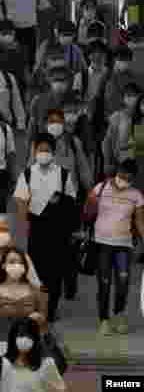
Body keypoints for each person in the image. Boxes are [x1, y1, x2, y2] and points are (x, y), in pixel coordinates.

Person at [13, 133, 79, 322]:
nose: (43, 153)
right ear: (34, 152)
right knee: (37, 269)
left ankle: (51, 309)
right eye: (40, 150)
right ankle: (37, 306)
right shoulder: (27, 174)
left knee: (56, 270)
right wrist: (23, 227)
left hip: (58, 228)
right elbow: (21, 202)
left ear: (53, 152)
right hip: (37, 227)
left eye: (47, 150)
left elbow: (71, 201)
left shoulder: (63, 174)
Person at [85, 159, 144, 335]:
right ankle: (104, 320)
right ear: (117, 172)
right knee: (104, 282)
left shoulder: (136, 195)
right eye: (122, 175)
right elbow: (87, 212)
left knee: (123, 281)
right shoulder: (100, 188)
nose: (123, 180)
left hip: (123, 245)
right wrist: (91, 202)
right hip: (102, 244)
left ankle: (119, 315)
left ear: (133, 179)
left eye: (128, 178)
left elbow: (139, 221)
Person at [0, 248, 47, 352]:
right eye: (12, 262)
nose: (16, 265)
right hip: (2, 346)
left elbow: (43, 327)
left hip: (28, 346)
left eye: (20, 262)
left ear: (25, 267)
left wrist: (39, 319)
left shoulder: (36, 293)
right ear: (3, 266)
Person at [3, 317, 66, 391]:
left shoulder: (46, 364)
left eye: (29, 336)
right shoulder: (3, 365)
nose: (25, 339)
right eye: (21, 335)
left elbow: (61, 389)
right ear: (13, 338)